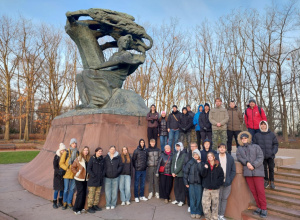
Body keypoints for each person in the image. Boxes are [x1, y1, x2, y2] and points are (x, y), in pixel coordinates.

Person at [236, 131, 267, 218]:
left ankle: (264, 208)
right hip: (248, 173)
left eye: (245, 138)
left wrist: (253, 165)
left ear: (248, 138)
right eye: (242, 138)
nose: (244, 140)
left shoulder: (256, 147)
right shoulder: (239, 149)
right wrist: (247, 163)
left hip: (258, 172)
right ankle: (259, 207)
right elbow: (239, 157)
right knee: (254, 191)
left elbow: (260, 157)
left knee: (260, 191)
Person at [253, 121, 278, 189]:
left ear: (266, 126)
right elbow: (254, 145)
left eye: (264, 124)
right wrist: (258, 154)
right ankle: (266, 181)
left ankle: (272, 181)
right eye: (262, 125)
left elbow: (275, 144)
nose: (263, 126)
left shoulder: (271, 134)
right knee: (264, 169)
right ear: (260, 126)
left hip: (270, 155)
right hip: (262, 156)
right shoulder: (257, 135)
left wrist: (273, 152)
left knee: (271, 168)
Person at [216, 144, 236, 220]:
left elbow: (233, 170)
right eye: (220, 147)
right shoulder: (215, 157)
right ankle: (217, 215)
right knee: (218, 198)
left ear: (225, 149)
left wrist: (229, 179)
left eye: (223, 148)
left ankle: (221, 215)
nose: (222, 149)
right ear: (218, 149)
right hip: (218, 182)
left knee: (224, 199)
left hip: (227, 182)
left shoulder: (230, 158)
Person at [201, 152, 224, 220]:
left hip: (215, 189)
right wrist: (205, 168)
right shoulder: (205, 165)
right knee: (205, 205)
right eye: (208, 156)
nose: (210, 157)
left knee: (215, 205)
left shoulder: (218, 166)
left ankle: (214, 218)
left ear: (214, 157)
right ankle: (208, 218)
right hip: (207, 189)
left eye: (211, 156)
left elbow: (221, 176)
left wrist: (217, 184)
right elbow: (202, 175)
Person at [59, 138, 79, 210]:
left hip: (74, 174)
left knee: (72, 189)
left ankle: (69, 202)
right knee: (66, 189)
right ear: (70, 144)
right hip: (67, 174)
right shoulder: (66, 152)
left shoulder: (77, 153)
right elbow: (61, 163)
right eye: (73, 143)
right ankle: (64, 203)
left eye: (75, 143)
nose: (74, 145)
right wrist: (66, 168)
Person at [184, 149, 204, 219]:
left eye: (197, 154)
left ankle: (198, 211)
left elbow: (203, 173)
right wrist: (186, 182)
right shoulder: (190, 163)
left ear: (199, 155)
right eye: (194, 155)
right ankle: (193, 211)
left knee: (198, 198)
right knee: (192, 198)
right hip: (191, 184)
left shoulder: (201, 163)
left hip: (199, 184)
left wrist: (199, 164)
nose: (195, 156)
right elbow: (186, 173)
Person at [71, 146, 90, 215]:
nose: (86, 151)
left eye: (87, 150)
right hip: (79, 178)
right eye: (84, 150)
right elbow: (72, 167)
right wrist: (77, 173)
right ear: (82, 151)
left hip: (85, 179)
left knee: (84, 193)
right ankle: (76, 208)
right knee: (80, 193)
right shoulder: (78, 159)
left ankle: (81, 207)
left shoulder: (88, 159)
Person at [86, 147, 105, 213]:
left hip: (99, 180)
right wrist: (93, 175)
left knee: (97, 194)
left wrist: (103, 174)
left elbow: (104, 168)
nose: (100, 153)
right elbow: (88, 169)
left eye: (101, 151)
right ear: (96, 152)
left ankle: (95, 205)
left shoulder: (102, 159)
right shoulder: (92, 159)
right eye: (99, 151)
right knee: (91, 194)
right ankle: (89, 207)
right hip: (93, 180)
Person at [183, 142, 199, 213]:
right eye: (191, 146)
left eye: (194, 146)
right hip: (189, 176)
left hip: (197, 178)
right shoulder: (187, 155)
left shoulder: (199, 154)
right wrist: (186, 171)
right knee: (189, 192)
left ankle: (197, 207)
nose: (192, 147)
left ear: (197, 147)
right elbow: (184, 164)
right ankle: (190, 206)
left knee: (197, 194)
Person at [171, 142, 186, 206]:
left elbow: (180, 165)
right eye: (177, 146)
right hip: (175, 174)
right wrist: (172, 172)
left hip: (180, 174)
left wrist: (175, 172)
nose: (177, 147)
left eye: (179, 146)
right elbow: (172, 163)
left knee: (181, 188)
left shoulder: (184, 154)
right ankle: (177, 199)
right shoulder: (175, 154)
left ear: (181, 147)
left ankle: (181, 200)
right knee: (176, 187)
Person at [52, 143, 66, 209]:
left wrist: (63, 171)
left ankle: (60, 201)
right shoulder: (56, 157)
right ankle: (54, 202)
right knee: (57, 190)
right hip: (57, 176)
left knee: (62, 189)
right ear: (60, 150)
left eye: (64, 150)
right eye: (62, 150)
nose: (63, 151)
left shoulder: (65, 157)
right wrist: (58, 172)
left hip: (63, 175)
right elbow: (55, 166)